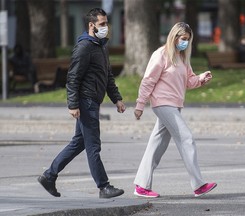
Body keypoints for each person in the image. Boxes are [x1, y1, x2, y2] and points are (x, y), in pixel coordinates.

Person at [38, 8, 126, 199]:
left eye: (106, 23)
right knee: (93, 146)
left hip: (93, 100)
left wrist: (116, 98)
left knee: (79, 143)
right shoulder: (85, 47)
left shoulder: (101, 45)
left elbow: (107, 76)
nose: (106, 27)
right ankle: (104, 187)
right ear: (91, 25)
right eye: (102, 24)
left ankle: (49, 176)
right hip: (86, 102)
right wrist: (72, 104)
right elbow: (73, 78)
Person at [133, 22, 217, 198]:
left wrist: (201, 79)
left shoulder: (182, 57)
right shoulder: (161, 55)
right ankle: (198, 185)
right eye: (183, 39)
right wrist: (140, 104)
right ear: (175, 36)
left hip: (174, 105)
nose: (185, 42)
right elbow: (148, 80)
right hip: (163, 104)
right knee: (186, 138)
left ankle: (141, 185)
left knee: (156, 145)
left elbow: (189, 81)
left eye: (188, 39)